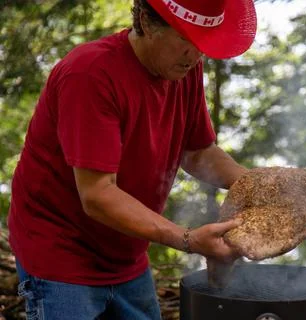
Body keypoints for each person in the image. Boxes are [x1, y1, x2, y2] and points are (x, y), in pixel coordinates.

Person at [7, 0, 257, 318]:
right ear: (146, 21)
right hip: (60, 253)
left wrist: (255, 183)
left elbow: (196, 152)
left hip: (125, 252)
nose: (195, 55)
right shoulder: (89, 73)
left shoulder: (183, 68)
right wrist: (189, 240)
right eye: (185, 39)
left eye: (202, 43)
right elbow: (98, 195)